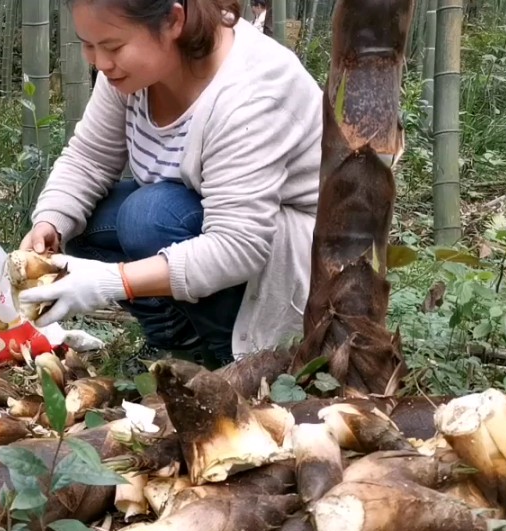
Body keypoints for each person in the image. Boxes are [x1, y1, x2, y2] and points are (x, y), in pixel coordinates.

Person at [18, 0, 322, 369]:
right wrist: (50, 222)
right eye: (88, 44)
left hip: (284, 261)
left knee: (148, 214)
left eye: (113, 47)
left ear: (174, 20)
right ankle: (178, 344)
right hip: (197, 221)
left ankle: (235, 354)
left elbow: (239, 245)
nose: (99, 62)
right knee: (84, 222)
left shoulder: (251, 93)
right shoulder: (128, 76)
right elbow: (89, 158)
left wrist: (116, 281)